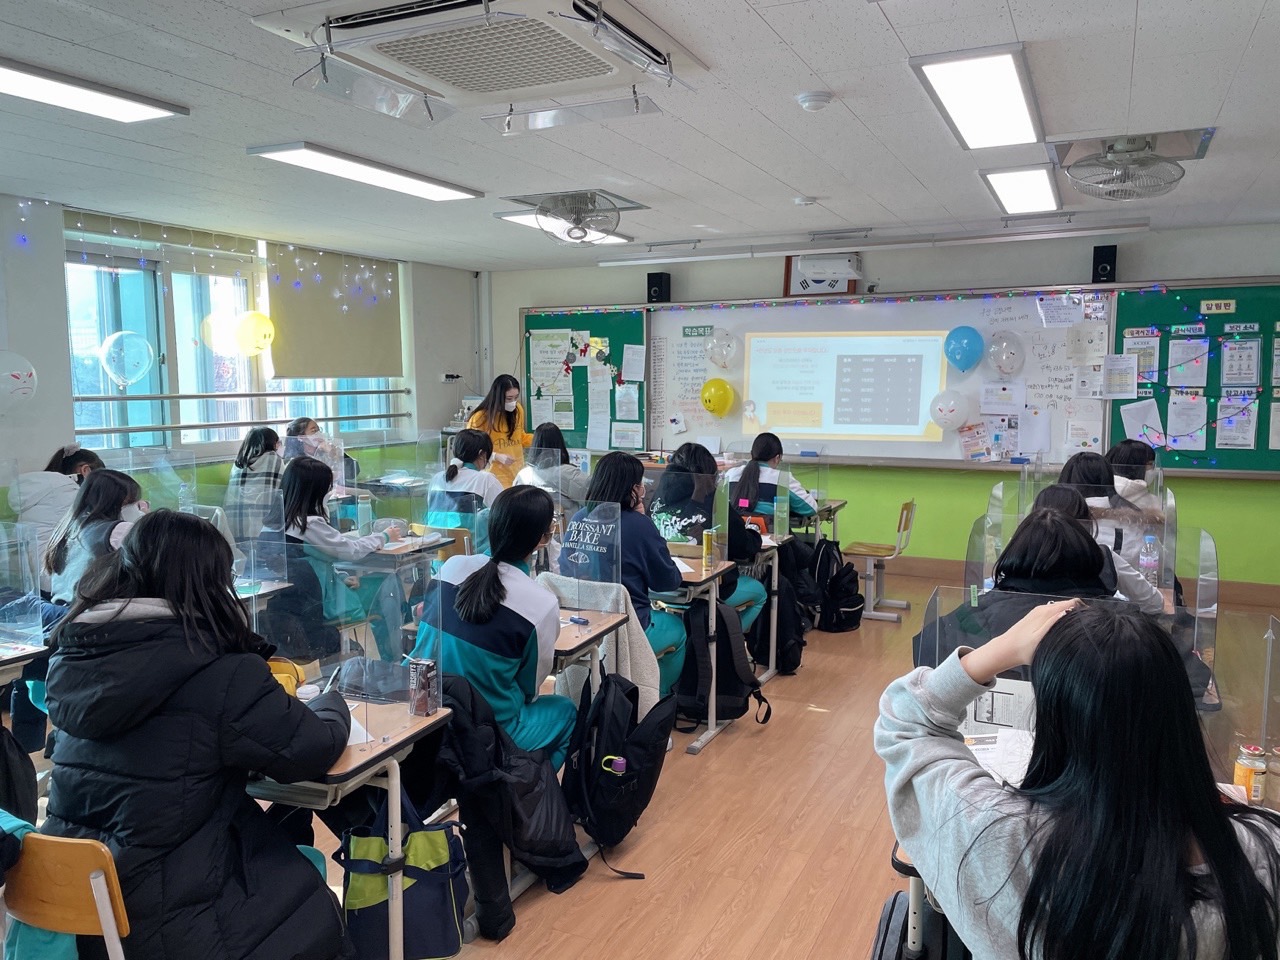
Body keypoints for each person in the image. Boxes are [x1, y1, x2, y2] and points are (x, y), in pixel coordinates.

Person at [877, 601, 1280, 960]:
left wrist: (1001, 649)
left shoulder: (998, 837)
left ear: (1056, 720)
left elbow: (904, 723)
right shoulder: (1263, 857)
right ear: (1178, 718)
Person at [43, 510, 352, 960]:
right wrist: (331, 701)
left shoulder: (75, 660)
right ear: (209, 582)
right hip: (176, 917)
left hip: (81, 907)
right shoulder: (217, 668)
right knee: (316, 912)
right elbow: (310, 748)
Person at [411, 486, 575, 769]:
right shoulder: (541, 604)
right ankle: (527, 791)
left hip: (425, 712)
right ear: (543, 538)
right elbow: (529, 689)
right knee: (566, 712)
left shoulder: (450, 568)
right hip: (489, 727)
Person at [914, 509, 1114, 677]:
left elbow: (927, 676)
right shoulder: (1121, 622)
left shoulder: (958, 623)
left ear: (1014, 554)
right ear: (1090, 556)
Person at [560, 452, 687, 696]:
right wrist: (643, 521)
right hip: (629, 627)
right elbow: (667, 582)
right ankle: (655, 700)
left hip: (582, 626)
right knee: (677, 629)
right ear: (632, 489)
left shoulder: (578, 519)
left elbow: (567, 570)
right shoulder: (639, 524)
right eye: (640, 485)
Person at [280, 456, 403, 660]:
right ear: (315, 492)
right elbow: (350, 550)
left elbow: (315, 560)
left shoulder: (279, 522)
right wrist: (384, 536)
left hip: (304, 598)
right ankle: (393, 656)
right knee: (390, 584)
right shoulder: (309, 524)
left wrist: (341, 576)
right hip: (324, 601)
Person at [650, 442, 767, 632]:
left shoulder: (656, 498)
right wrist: (754, 534)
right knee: (759, 593)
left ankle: (700, 640)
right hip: (707, 590)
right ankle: (724, 643)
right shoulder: (711, 500)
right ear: (705, 475)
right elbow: (742, 546)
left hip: (663, 589)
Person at [1030, 484, 1163, 615]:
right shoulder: (1101, 556)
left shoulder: (1022, 556)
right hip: (1086, 626)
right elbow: (1154, 603)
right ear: (1085, 521)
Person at [8, 444, 104, 592]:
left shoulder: (41, 489)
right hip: (53, 576)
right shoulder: (67, 490)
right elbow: (96, 524)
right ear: (85, 470)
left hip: (29, 575)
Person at [46, 469, 145, 605]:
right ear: (113, 502)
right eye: (130, 503)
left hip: (64, 607)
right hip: (95, 609)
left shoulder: (65, 529)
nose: (135, 508)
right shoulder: (119, 530)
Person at [1058, 451, 1155, 569]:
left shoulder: (1052, 516)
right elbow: (1137, 561)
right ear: (1109, 478)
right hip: (1117, 578)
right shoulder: (1129, 519)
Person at [426, 429, 503, 555]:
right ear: (482, 454)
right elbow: (507, 514)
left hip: (437, 558)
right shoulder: (485, 480)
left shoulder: (437, 478)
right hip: (472, 558)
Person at [723, 432, 816, 521]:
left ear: (751, 454)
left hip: (735, 530)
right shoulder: (782, 478)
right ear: (777, 458)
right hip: (770, 531)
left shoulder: (731, 475)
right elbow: (810, 508)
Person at [466, 374, 532, 489]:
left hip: (517, 475)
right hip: (493, 477)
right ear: (497, 397)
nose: (513, 402)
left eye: (516, 397)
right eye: (509, 398)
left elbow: (520, 436)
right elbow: (471, 449)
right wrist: (496, 456)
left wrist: (540, 438)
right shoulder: (480, 418)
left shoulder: (518, 410)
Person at [513, 422, 591, 510]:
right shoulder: (569, 473)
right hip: (562, 519)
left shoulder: (523, 475)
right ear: (560, 443)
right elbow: (593, 498)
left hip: (532, 519)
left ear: (534, 444)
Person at [224, 427, 284, 540]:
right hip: (262, 532)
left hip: (233, 531)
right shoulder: (273, 459)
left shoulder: (238, 464)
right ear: (273, 443)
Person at [1104, 438, 1161, 511]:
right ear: (1133, 467)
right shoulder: (1152, 503)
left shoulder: (1099, 493)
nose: (1153, 469)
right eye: (1150, 464)